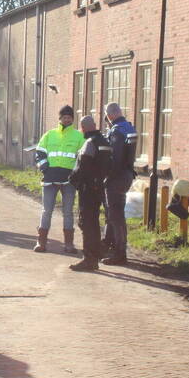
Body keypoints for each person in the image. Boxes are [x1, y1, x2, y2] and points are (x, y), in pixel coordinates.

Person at [33, 105, 84, 254]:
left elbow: (82, 158)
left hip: (69, 181)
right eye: (64, 117)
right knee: (46, 211)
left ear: (73, 119)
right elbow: (40, 153)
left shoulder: (79, 136)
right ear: (59, 118)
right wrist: (45, 169)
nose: (67, 120)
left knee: (68, 212)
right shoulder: (49, 135)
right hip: (50, 179)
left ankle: (69, 244)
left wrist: (76, 174)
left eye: (69, 117)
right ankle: (41, 242)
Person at [68, 116, 113, 271]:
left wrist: (73, 180)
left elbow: (82, 167)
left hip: (88, 189)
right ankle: (96, 253)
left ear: (82, 128)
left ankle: (89, 259)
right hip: (99, 187)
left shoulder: (89, 143)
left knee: (86, 223)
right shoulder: (105, 142)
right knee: (94, 222)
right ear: (94, 125)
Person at [103, 102, 138, 265]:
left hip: (117, 178)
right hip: (128, 174)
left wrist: (107, 177)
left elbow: (115, 158)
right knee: (117, 214)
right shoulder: (129, 128)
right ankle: (111, 246)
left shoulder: (117, 131)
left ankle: (119, 253)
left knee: (115, 216)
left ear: (110, 115)